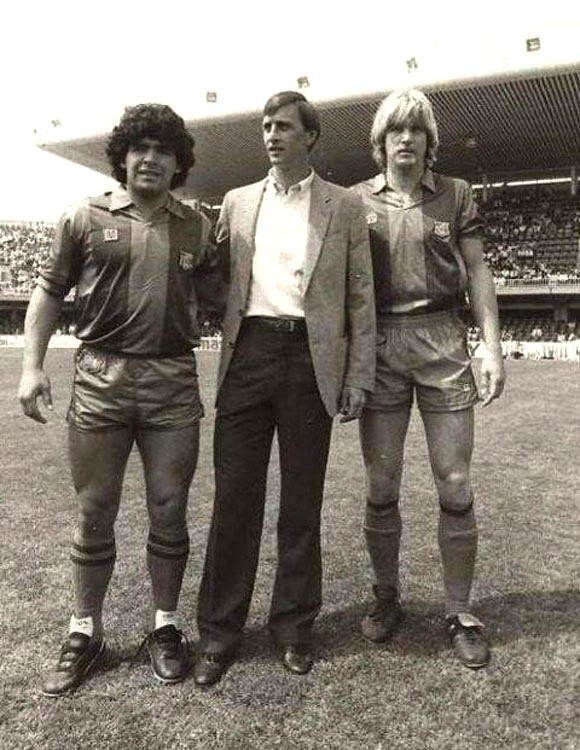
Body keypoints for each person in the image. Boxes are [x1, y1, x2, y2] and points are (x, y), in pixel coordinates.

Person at [18, 103, 219, 695]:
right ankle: (85, 630)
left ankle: (165, 625)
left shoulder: (198, 228)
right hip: (100, 377)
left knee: (168, 508)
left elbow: (222, 297)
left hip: (171, 380)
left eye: (163, 150)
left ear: (179, 163)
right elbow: (48, 292)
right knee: (94, 509)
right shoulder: (83, 217)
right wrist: (31, 367)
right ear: (122, 158)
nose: (150, 159)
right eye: (140, 148)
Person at [194, 91, 375, 686]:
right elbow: (214, 278)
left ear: (311, 136)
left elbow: (360, 298)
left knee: (302, 503)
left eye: (284, 127)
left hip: (308, 359)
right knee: (234, 500)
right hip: (247, 354)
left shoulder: (344, 206)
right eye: (267, 126)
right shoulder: (237, 201)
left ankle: (294, 628)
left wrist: (358, 375)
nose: (272, 136)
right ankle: (219, 634)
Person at [351, 89, 505, 668]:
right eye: (396, 130)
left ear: (429, 141)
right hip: (381, 344)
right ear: (381, 141)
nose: (406, 138)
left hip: (443, 339)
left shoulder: (456, 194)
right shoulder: (356, 201)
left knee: (455, 480)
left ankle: (460, 610)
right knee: (382, 480)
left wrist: (491, 347)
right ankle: (386, 595)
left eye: (416, 130)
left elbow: (478, 270)